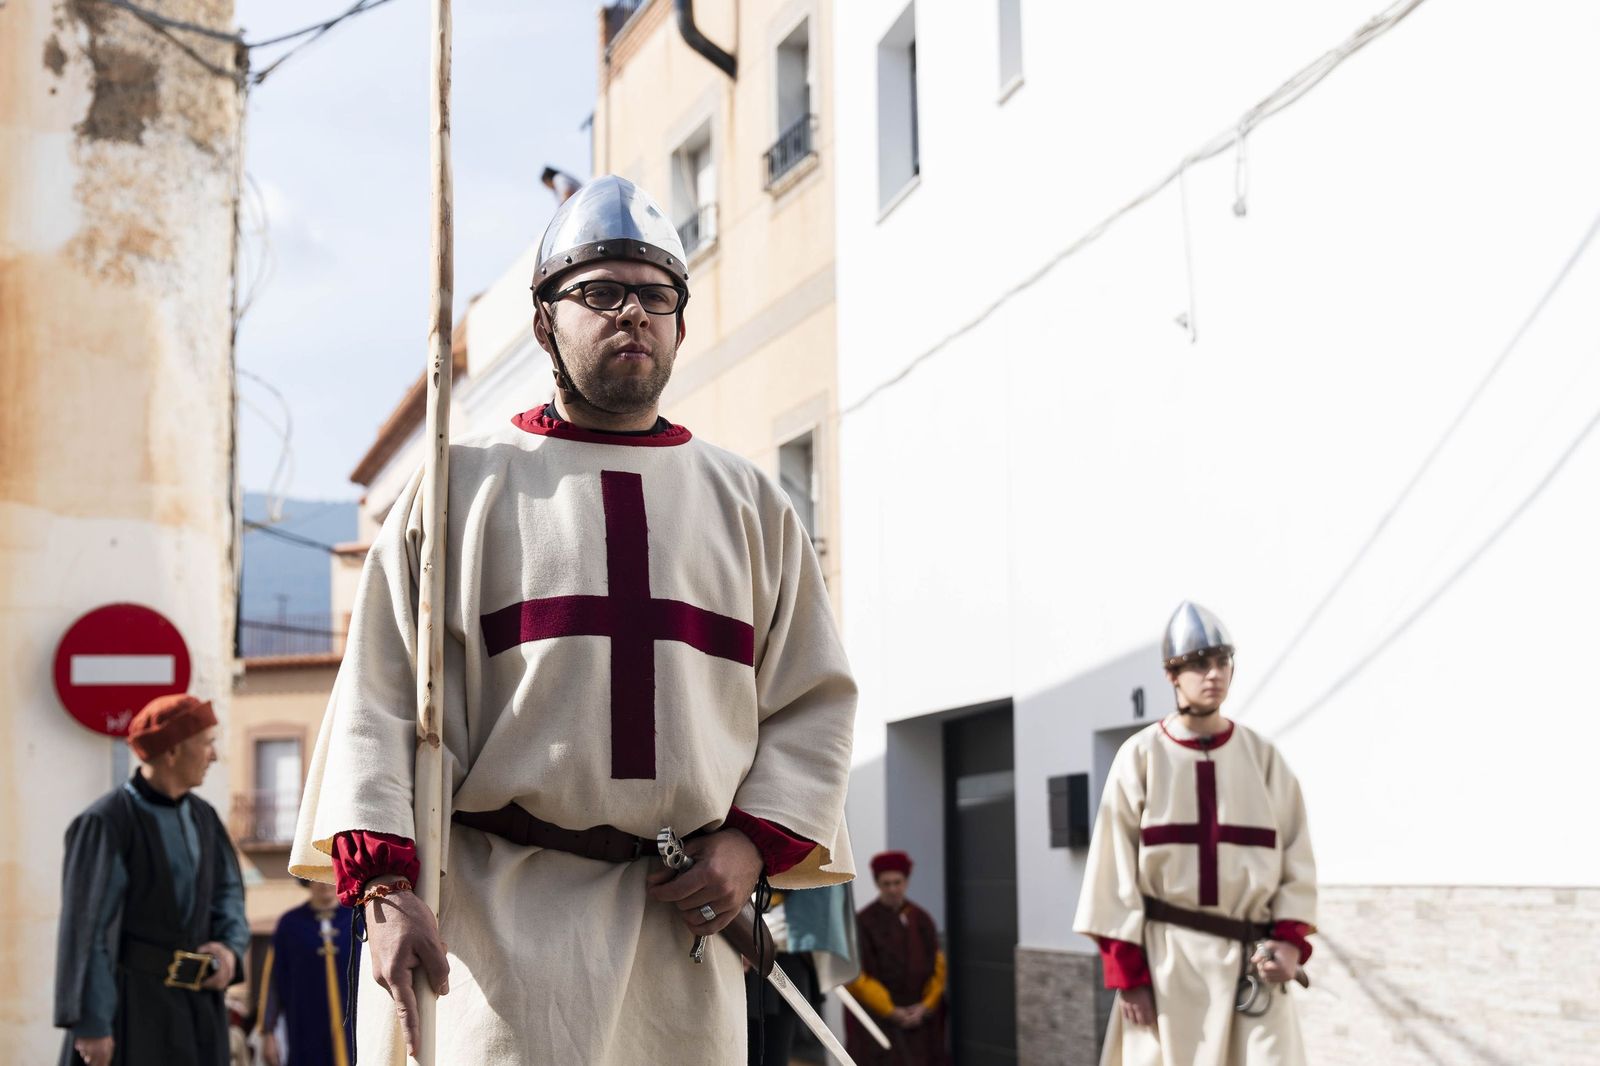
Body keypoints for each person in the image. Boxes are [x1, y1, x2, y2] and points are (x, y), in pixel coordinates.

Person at [289, 174, 857, 1066]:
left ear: (679, 318)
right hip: (494, 933)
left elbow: (813, 700)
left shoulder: (750, 504)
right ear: (546, 320)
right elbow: (379, 699)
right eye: (601, 292)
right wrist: (387, 894)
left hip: (678, 930)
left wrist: (749, 844)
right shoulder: (456, 486)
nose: (633, 313)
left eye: (656, 295)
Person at [1073, 602, 1317, 1065]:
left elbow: (1297, 857)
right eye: (1200, 664)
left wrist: (1288, 939)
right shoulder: (1140, 756)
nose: (1214, 674)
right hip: (1170, 964)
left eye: (1222, 662)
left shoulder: (1264, 758)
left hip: (1253, 964)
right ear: (1172, 674)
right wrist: (1130, 978)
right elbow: (1112, 873)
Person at [53, 694, 249, 1066]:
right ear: (172, 752)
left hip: (199, 1011)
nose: (214, 755)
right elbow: (86, 930)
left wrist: (229, 949)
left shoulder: (204, 817)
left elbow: (229, 896)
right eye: (206, 743)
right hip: (130, 1011)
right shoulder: (106, 823)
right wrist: (93, 1024)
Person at [844, 851, 948, 1066]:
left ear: (906, 881)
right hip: (880, 1021)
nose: (892, 889)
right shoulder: (864, 921)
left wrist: (926, 1006)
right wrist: (890, 1010)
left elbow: (938, 966)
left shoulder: (922, 919)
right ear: (877, 884)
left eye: (897, 882)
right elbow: (855, 974)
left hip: (919, 1020)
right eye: (886, 883)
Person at [258, 879, 359, 1066]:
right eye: (316, 877)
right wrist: (268, 1032)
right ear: (306, 881)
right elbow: (273, 980)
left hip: (355, 1025)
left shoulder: (357, 920)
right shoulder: (290, 925)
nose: (324, 883)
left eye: (328, 875)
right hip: (304, 1025)